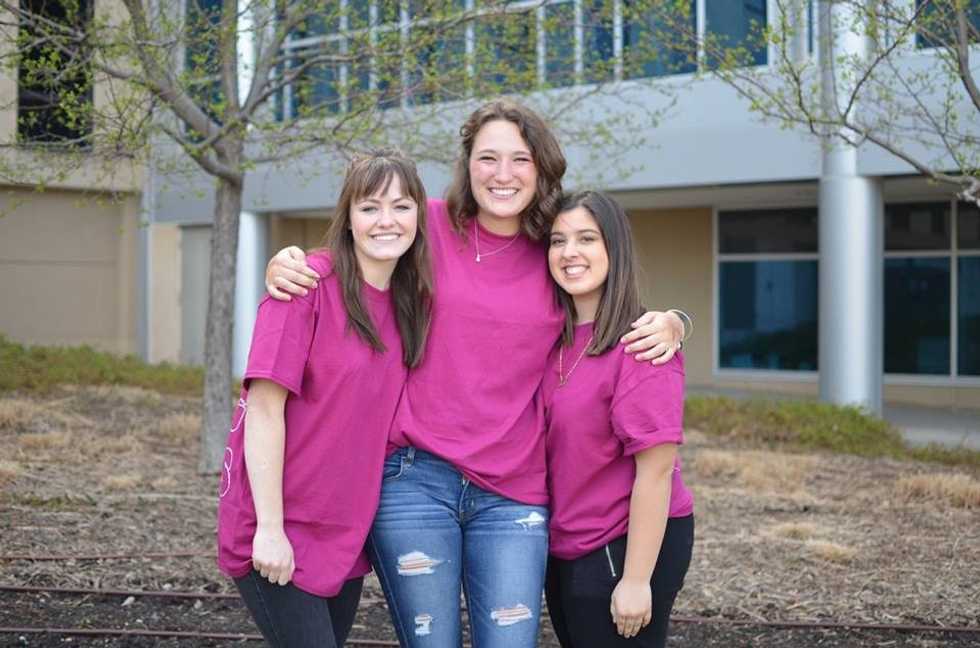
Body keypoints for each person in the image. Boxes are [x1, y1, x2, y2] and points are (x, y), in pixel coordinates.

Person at [263, 100, 691, 648]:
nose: (502, 173)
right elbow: (363, 246)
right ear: (467, 164)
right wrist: (294, 262)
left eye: (520, 159)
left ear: (541, 168)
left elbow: (605, 298)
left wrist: (676, 320)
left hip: (513, 490)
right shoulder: (429, 225)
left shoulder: (553, 244)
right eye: (488, 157)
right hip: (415, 480)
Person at [216, 151, 432, 648]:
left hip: (344, 531)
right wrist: (270, 529)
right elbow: (264, 409)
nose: (386, 220)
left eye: (401, 206)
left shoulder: (409, 301)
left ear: (420, 216)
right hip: (279, 525)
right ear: (348, 217)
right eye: (369, 207)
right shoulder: (304, 287)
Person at [543, 191, 694, 648]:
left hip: (624, 543)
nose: (569, 252)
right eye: (558, 240)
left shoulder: (642, 346)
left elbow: (657, 471)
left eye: (586, 238)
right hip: (568, 540)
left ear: (615, 248)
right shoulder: (554, 337)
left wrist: (636, 580)